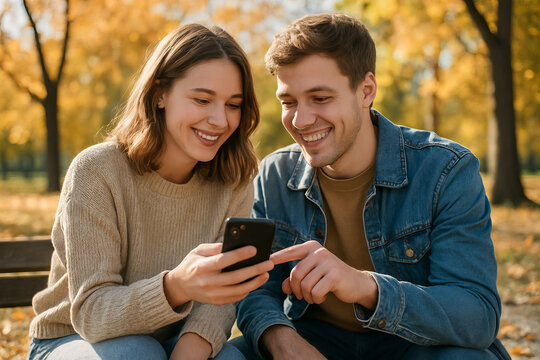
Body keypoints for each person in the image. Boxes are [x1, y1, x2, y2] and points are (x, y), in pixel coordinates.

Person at [230, 13, 511, 360]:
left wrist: (367, 288)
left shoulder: (446, 170)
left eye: (320, 98)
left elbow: (477, 316)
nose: (300, 120)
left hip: (414, 343)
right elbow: (254, 290)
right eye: (289, 102)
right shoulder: (273, 175)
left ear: (366, 91)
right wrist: (281, 340)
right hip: (313, 340)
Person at [27, 23, 274, 360]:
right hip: (70, 340)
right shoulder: (97, 171)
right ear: (160, 94)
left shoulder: (235, 180)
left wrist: (189, 351)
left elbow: (221, 298)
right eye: (202, 99)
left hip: (170, 345)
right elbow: (92, 314)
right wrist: (176, 286)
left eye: (233, 105)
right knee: (136, 352)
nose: (219, 120)